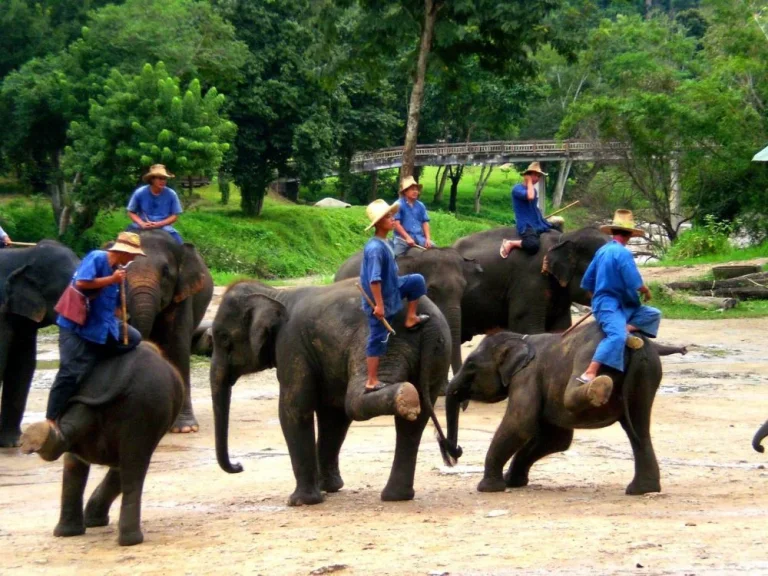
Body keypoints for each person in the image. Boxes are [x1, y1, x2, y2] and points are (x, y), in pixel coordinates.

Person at [28, 232, 146, 442]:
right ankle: (51, 419)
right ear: (122, 252)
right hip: (76, 325)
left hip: (102, 325)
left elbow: (117, 306)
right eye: (132, 255)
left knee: (134, 339)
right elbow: (82, 283)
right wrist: (111, 280)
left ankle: (96, 357)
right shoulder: (97, 258)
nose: (133, 259)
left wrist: (120, 309)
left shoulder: (120, 271)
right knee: (70, 371)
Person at [570, 210, 661, 407]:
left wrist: (596, 299)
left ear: (614, 232)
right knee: (616, 336)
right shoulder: (623, 254)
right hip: (612, 304)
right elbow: (634, 281)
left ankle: (626, 329)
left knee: (653, 314)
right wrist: (646, 291)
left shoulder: (601, 252)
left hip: (620, 304)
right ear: (628, 235)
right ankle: (590, 371)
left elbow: (588, 281)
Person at [360, 199, 431, 393]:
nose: (392, 219)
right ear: (378, 224)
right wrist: (379, 306)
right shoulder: (375, 248)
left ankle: (410, 317)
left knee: (416, 281)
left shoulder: (387, 241)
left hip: (393, 287)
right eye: (388, 217)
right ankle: (371, 381)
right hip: (381, 295)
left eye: (392, 215)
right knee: (378, 337)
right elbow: (374, 280)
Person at [499, 162, 563, 258]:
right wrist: (529, 181)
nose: (538, 179)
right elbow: (530, 196)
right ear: (529, 175)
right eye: (536, 176)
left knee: (557, 229)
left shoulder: (533, 190)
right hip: (526, 224)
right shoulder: (517, 189)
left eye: (539, 176)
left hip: (536, 221)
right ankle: (511, 243)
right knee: (533, 245)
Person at [126, 164, 184, 243]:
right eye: (160, 178)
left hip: (164, 226)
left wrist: (160, 224)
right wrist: (141, 223)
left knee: (179, 243)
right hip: (142, 225)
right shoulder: (140, 192)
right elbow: (131, 212)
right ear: (152, 179)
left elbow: (175, 215)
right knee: (124, 240)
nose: (163, 181)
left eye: (164, 179)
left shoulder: (171, 194)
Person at [393, 175, 434, 256]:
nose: (415, 192)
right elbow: (396, 224)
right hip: (402, 240)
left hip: (419, 237)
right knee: (396, 257)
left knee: (436, 252)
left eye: (416, 190)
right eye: (412, 189)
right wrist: (407, 238)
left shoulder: (421, 205)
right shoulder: (398, 204)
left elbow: (425, 223)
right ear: (405, 191)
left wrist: (428, 239)